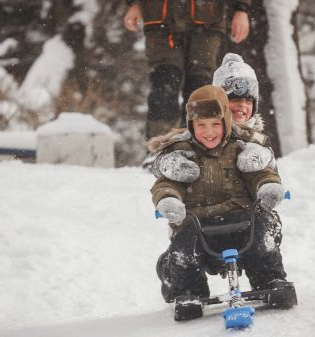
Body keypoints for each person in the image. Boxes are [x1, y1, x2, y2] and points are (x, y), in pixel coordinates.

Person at [149, 85, 289, 305]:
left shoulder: (241, 146)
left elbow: (259, 173)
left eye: (216, 124)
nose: (209, 131)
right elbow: (167, 183)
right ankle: (187, 291)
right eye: (201, 125)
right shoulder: (181, 152)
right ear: (190, 124)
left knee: (263, 235)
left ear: (226, 122)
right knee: (184, 251)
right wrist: (169, 199)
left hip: (242, 218)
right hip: (199, 224)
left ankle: (270, 281)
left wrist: (267, 186)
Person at [123, 0, 252, 140]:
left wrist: (241, 9)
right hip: (161, 21)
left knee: (199, 93)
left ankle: (194, 149)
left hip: (207, 21)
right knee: (164, 89)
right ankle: (159, 150)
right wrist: (134, 3)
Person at [150, 52, 276, 183]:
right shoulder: (202, 132)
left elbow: (272, 173)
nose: (242, 105)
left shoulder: (256, 139)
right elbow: (157, 167)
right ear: (219, 102)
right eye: (234, 100)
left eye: (248, 101)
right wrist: (171, 164)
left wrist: (262, 157)